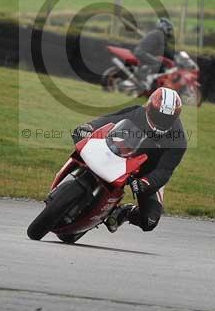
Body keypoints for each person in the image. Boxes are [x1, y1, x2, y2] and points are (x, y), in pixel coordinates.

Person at [71, 87, 186, 233]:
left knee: (149, 221)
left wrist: (146, 183)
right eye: (158, 115)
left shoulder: (178, 140)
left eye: (167, 118)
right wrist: (88, 127)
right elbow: (108, 120)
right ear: (149, 107)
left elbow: (164, 170)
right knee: (85, 147)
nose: (161, 121)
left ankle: (125, 212)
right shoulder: (138, 112)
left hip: (146, 172)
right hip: (120, 154)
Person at [126, 18, 175, 92]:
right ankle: (142, 76)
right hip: (142, 53)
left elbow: (160, 49)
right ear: (163, 27)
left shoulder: (157, 33)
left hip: (142, 52)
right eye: (168, 29)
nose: (169, 31)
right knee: (157, 63)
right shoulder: (159, 34)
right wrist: (173, 57)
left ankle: (145, 78)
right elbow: (164, 49)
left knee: (157, 62)